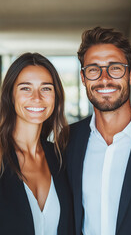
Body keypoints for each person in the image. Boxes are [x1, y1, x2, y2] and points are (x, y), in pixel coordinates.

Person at [66, 26, 131, 235]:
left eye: (115, 68)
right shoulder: (68, 139)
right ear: (83, 78)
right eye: (94, 69)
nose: (104, 79)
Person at [0, 52, 75, 235]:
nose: (37, 97)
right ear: (11, 95)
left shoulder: (59, 157)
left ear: (56, 96)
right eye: (26, 88)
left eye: (46, 88)